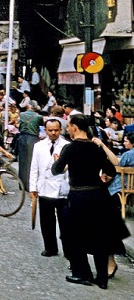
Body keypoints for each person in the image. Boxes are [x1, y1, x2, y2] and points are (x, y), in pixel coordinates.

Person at [51, 114, 117, 290]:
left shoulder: (70, 148)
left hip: (79, 197)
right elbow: (111, 169)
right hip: (98, 195)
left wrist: (59, 161)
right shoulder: (96, 147)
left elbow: (56, 170)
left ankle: (82, 273)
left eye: (68, 126)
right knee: (99, 236)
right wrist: (104, 178)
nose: (67, 129)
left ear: (74, 127)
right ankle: (102, 278)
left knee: (73, 236)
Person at [91, 134, 132, 280]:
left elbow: (114, 164)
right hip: (92, 197)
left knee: (106, 232)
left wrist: (102, 145)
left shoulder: (103, 156)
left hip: (104, 198)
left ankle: (110, 263)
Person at [29, 119, 70, 258]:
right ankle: (50, 247)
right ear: (45, 130)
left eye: (56, 130)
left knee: (65, 222)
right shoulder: (38, 146)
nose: (53, 133)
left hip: (61, 188)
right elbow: (34, 167)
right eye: (50, 130)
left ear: (61, 130)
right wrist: (32, 187)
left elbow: (69, 170)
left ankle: (68, 250)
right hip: (44, 187)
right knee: (47, 221)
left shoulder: (67, 145)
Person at [18, 102, 43, 191]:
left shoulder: (21, 115)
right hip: (33, 138)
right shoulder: (38, 117)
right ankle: (30, 185)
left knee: (22, 161)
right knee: (31, 162)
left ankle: (21, 184)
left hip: (22, 137)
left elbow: (19, 126)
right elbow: (41, 126)